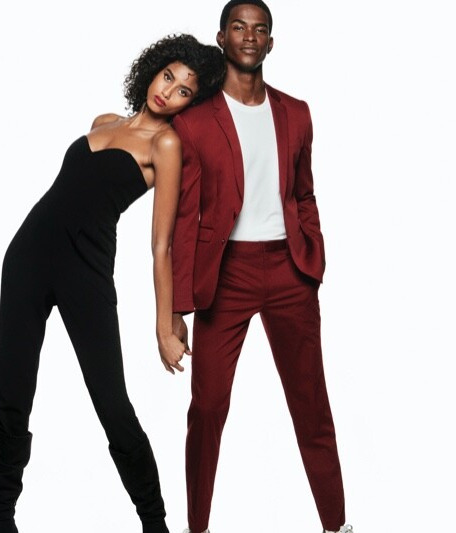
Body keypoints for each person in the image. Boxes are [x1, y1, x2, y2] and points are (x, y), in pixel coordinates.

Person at [0, 34, 225, 533]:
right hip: (26, 258)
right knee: (12, 394)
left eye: (184, 90)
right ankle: (0, 518)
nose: (168, 91)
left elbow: (161, 244)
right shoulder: (104, 122)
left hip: (86, 271)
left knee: (112, 405)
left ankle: (155, 524)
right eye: (168, 76)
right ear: (153, 68)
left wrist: (165, 325)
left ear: (192, 104)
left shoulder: (165, 145)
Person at [168, 2, 352, 533]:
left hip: (291, 271)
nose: (249, 36)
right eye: (239, 27)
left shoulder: (297, 112)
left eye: (260, 29)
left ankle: (337, 525)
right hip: (225, 274)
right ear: (222, 38)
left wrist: (313, 256)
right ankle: (196, 527)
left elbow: (305, 192)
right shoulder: (194, 122)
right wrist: (178, 308)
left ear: (270, 42)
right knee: (207, 408)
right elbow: (184, 220)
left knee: (311, 404)